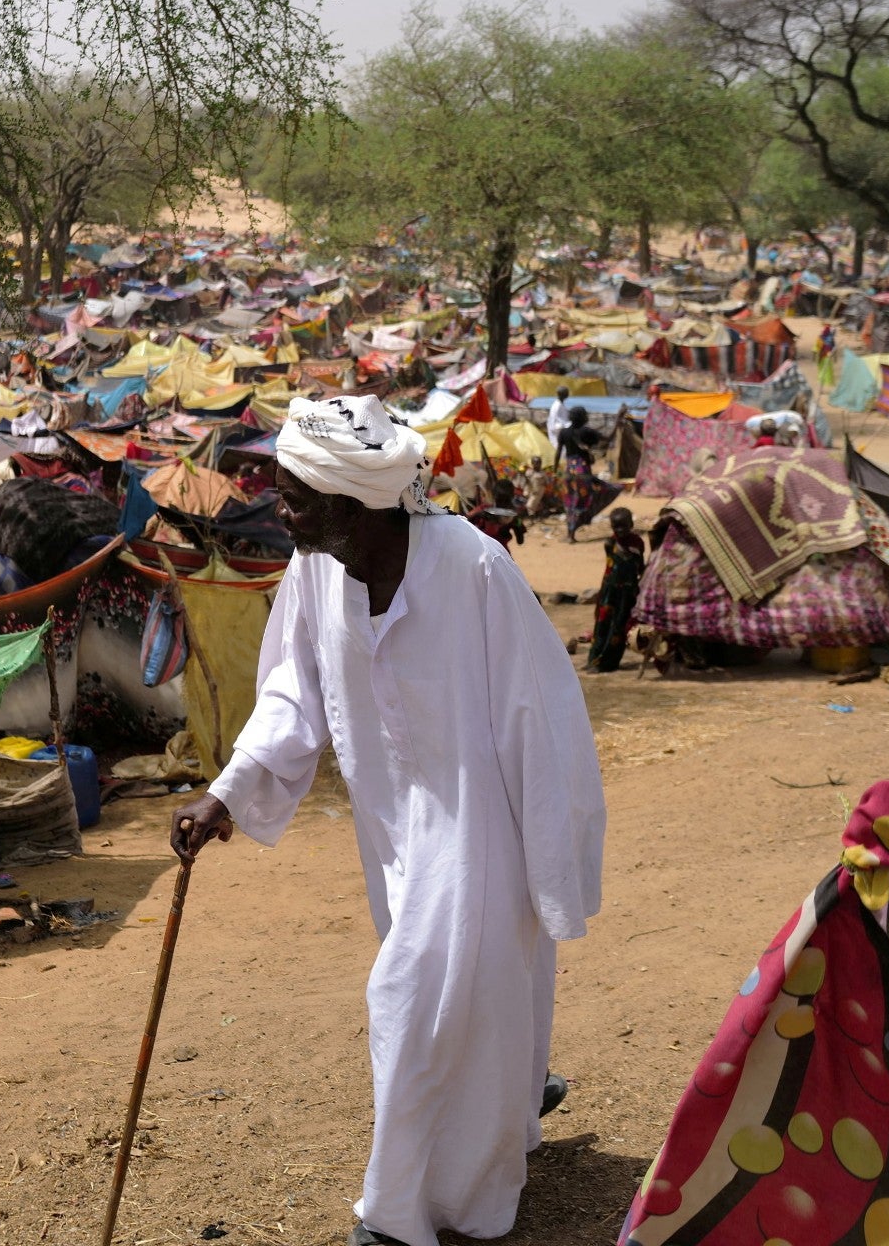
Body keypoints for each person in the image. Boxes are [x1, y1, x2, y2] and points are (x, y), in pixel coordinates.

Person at [171, 394, 605, 1246]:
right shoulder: (313, 572)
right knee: (477, 999)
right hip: (391, 828)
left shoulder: (472, 568)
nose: (279, 510)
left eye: (294, 495)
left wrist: (551, 859)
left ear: (349, 502)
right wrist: (227, 792)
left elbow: (540, 718)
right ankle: (513, 1104)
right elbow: (291, 693)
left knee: (408, 995)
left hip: (484, 825)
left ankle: (399, 1215)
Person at [587, 508, 646, 673]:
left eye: (623, 526)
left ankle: (608, 663)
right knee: (601, 625)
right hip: (609, 590)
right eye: (615, 526)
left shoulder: (636, 543)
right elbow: (610, 568)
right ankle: (594, 659)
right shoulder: (610, 543)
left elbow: (639, 566)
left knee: (618, 628)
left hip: (626, 593)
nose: (619, 530)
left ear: (631, 525)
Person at [554, 405, 611, 543]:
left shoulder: (564, 432)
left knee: (570, 503)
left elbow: (558, 452)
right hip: (582, 472)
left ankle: (570, 534)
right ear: (582, 417)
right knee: (590, 497)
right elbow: (607, 439)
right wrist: (619, 420)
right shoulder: (586, 432)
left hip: (568, 472)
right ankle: (575, 530)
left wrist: (555, 470)